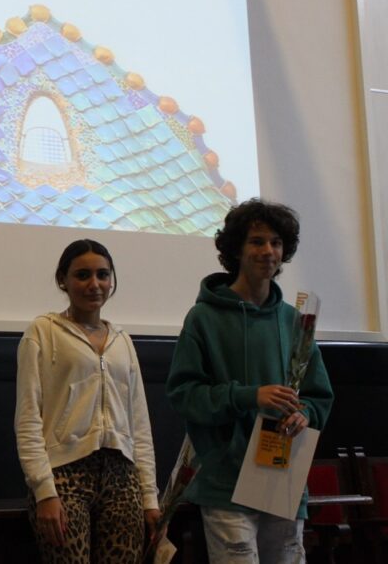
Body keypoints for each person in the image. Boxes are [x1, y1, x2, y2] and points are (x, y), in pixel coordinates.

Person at [166, 199, 334, 563]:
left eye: (276, 242)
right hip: (226, 482)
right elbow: (184, 394)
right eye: (257, 241)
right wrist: (248, 396)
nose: (268, 251)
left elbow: (319, 396)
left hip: (283, 479)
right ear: (236, 250)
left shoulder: (295, 321)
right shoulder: (203, 318)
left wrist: (304, 414)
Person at [15, 239, 160, 563]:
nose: (94, 284)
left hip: (122, 477)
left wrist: (149, 497)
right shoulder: (42, 332)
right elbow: (27, 418)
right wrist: (44, 490)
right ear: (62, 280)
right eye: (83, 275)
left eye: (102, 275)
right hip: (64, 475)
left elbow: (139, 424)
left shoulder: (122, 341)